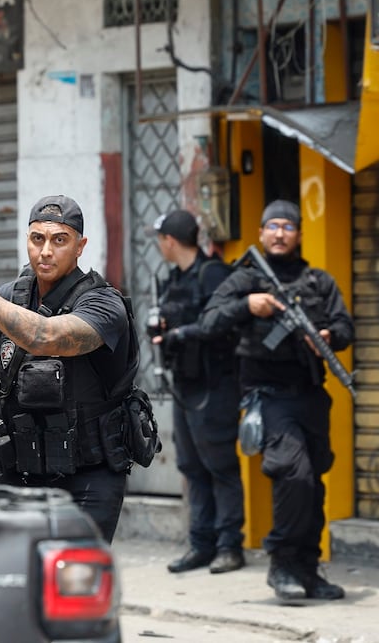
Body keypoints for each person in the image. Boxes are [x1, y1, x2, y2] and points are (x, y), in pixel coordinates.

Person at [0, 195, 136, 543]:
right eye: (37, 239)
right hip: (20, 471)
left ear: (80, 246)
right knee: (18, 581)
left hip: (88, 475)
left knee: (71, 583)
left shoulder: (103, 302)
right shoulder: (8, 298)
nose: (45, 251)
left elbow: (44, 337)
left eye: (59, 240)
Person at [196, 199, 353, 601]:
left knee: (313, 483)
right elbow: (208, 322)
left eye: (288, 226)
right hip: (266, 397)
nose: (280, 233)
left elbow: (345, 325)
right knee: (293, 474)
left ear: (299, 234)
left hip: (311, 394)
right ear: (262, 234)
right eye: (272, 226)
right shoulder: (245, 279)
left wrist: (329, 338)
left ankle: (308, 568)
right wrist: (247, 306)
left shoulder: (318, 281)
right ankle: (281, 561)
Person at [147, 209, 245, 574]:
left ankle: (229, 546)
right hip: (184, 385)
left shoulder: (214, 274)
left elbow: (221, 324)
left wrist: (183, 333)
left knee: (220, 466)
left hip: (216, 385)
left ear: (170, 241)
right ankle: (201, 545)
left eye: (160, 240)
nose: (159, 246)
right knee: (192, 466)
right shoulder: (174, 279)